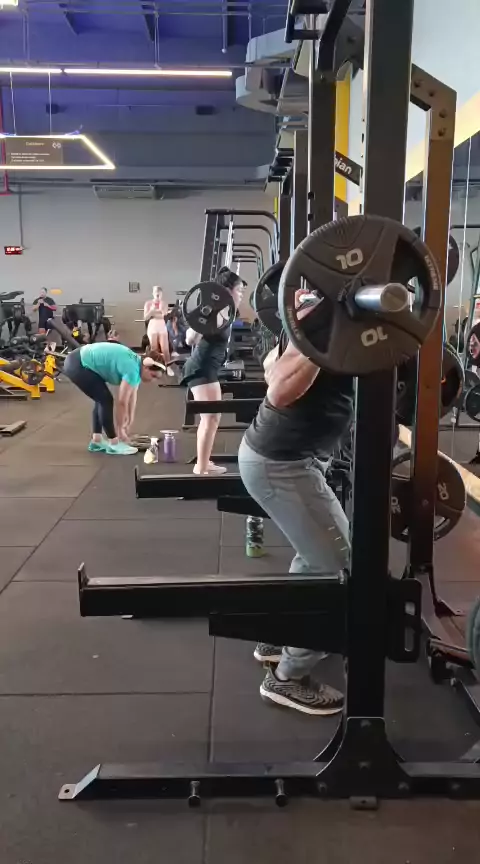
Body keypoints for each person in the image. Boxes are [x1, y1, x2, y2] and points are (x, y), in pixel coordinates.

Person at [237, 290, 354, 715]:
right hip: (282, 463)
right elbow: (279, 386)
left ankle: (282, 637)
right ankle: (288, 676)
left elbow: (274, 362)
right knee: (339, 566)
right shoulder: (325, 317)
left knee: (314, 556)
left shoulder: (316, 313)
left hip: (284, 457)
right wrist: (324, 332)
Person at [181, 267, 245, 476]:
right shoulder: (214, 311)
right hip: (201, 368)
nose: (241, 295)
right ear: (227, 291)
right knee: (210, 418)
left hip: (208, 368)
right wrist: (205, 313)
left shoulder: (227, 313)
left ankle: (204, 462)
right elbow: (190, 339)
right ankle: (201, 467)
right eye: (239, 291)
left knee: (211, 418)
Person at [63, 341, 165, 455]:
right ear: (146, 367)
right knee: (105, 400)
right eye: (153, 376)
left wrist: (130, 419)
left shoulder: (137, 365)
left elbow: (132, 395)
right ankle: (114, 443)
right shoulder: (132, 369)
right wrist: (120, 429)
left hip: (78, 360)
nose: (153, 380)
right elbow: (122, 402)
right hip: (78, 363)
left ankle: (97, 441)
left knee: (101, 398)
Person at [143, 286, 173, 374]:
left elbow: (164, 316)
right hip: (153, 325)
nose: (157, 294)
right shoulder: (148, 303)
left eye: (159, 293)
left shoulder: (164, 303)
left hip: (161, 325)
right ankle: (155, 366)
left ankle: (168, 366)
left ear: (161, 294)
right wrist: (152, 311)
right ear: (153, 293)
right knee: (154, 348)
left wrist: (154, 313)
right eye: (156, 292)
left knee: (165, 348)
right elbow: (145, 317)